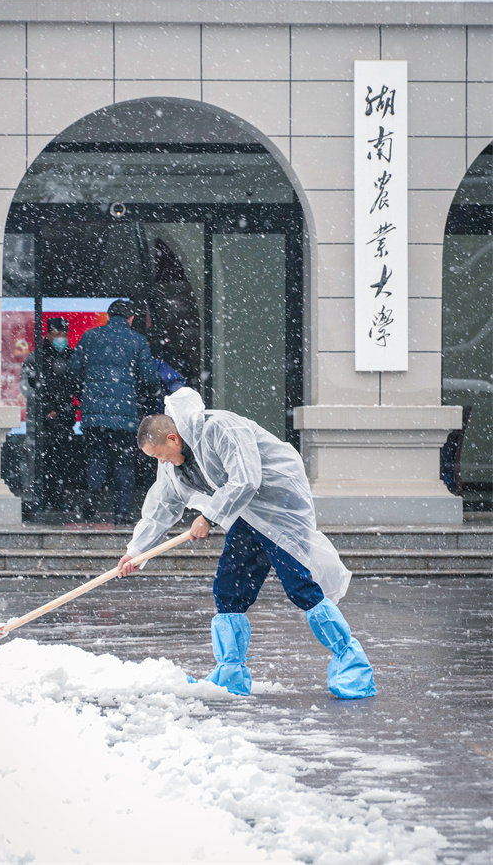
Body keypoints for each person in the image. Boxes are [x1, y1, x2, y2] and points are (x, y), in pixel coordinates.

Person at [117, 387, 376, 699]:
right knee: (229, 588)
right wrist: (136, 552)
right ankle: (230, 673)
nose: (161, 461)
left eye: (159, 454)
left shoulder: (220, 428)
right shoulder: (172, 468)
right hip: (245, 516)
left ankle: (352, 663)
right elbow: (163, 506)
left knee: (300, 586)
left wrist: (209, 517)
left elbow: (246, 479)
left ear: (172, 438)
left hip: (278, 509)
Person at [68, 299, 161, 524]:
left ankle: (92, 499)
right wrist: (137, 394)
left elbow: (73, 370)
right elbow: (149, 377)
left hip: (94, 413)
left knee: (96, 458)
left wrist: (86, 395)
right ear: (131, 319)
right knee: (124, 463)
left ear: (109, 316)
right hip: (125, 415)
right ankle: (121, 513)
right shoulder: (137, 341)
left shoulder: (90, 337)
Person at [20, 317, 76, 510]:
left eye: (65, 334)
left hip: (64, 419)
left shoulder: (70, 355)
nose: (62, 338)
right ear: (50, 334)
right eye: (59, 334)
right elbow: (27, 387)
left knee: (62, 461)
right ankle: (39, 498)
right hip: (41, 421)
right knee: (41, 460)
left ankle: (57, 498)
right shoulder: (38, 357)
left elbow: (74, 385)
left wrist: (62, 410)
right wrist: (45, 409)